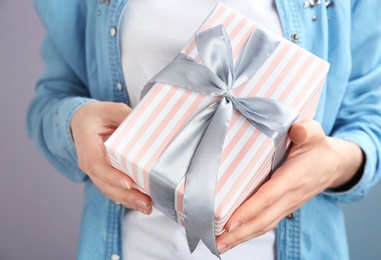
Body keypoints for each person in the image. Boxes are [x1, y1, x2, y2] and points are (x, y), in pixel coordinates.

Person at [27, 0, 381, 259]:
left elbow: (370, 117)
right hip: (132, 248)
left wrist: (335, 163)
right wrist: (75, 121)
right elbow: (51, 99)